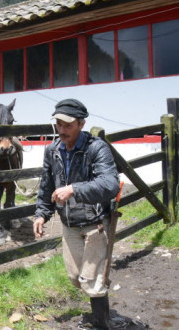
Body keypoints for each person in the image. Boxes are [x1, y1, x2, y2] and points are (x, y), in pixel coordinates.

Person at [33, 99, 120, 329]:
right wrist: (41, 214)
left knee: (93, 282)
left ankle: (102, 323)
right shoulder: (52, 151)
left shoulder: (96, 148)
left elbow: (110, 184)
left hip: (94, 224)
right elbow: (46, 185)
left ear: (81, 124)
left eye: (67, 125)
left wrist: (74, 189)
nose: (62, 130)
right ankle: (104, 315)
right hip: (69, 224)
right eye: (58, 124)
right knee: (75, 278)